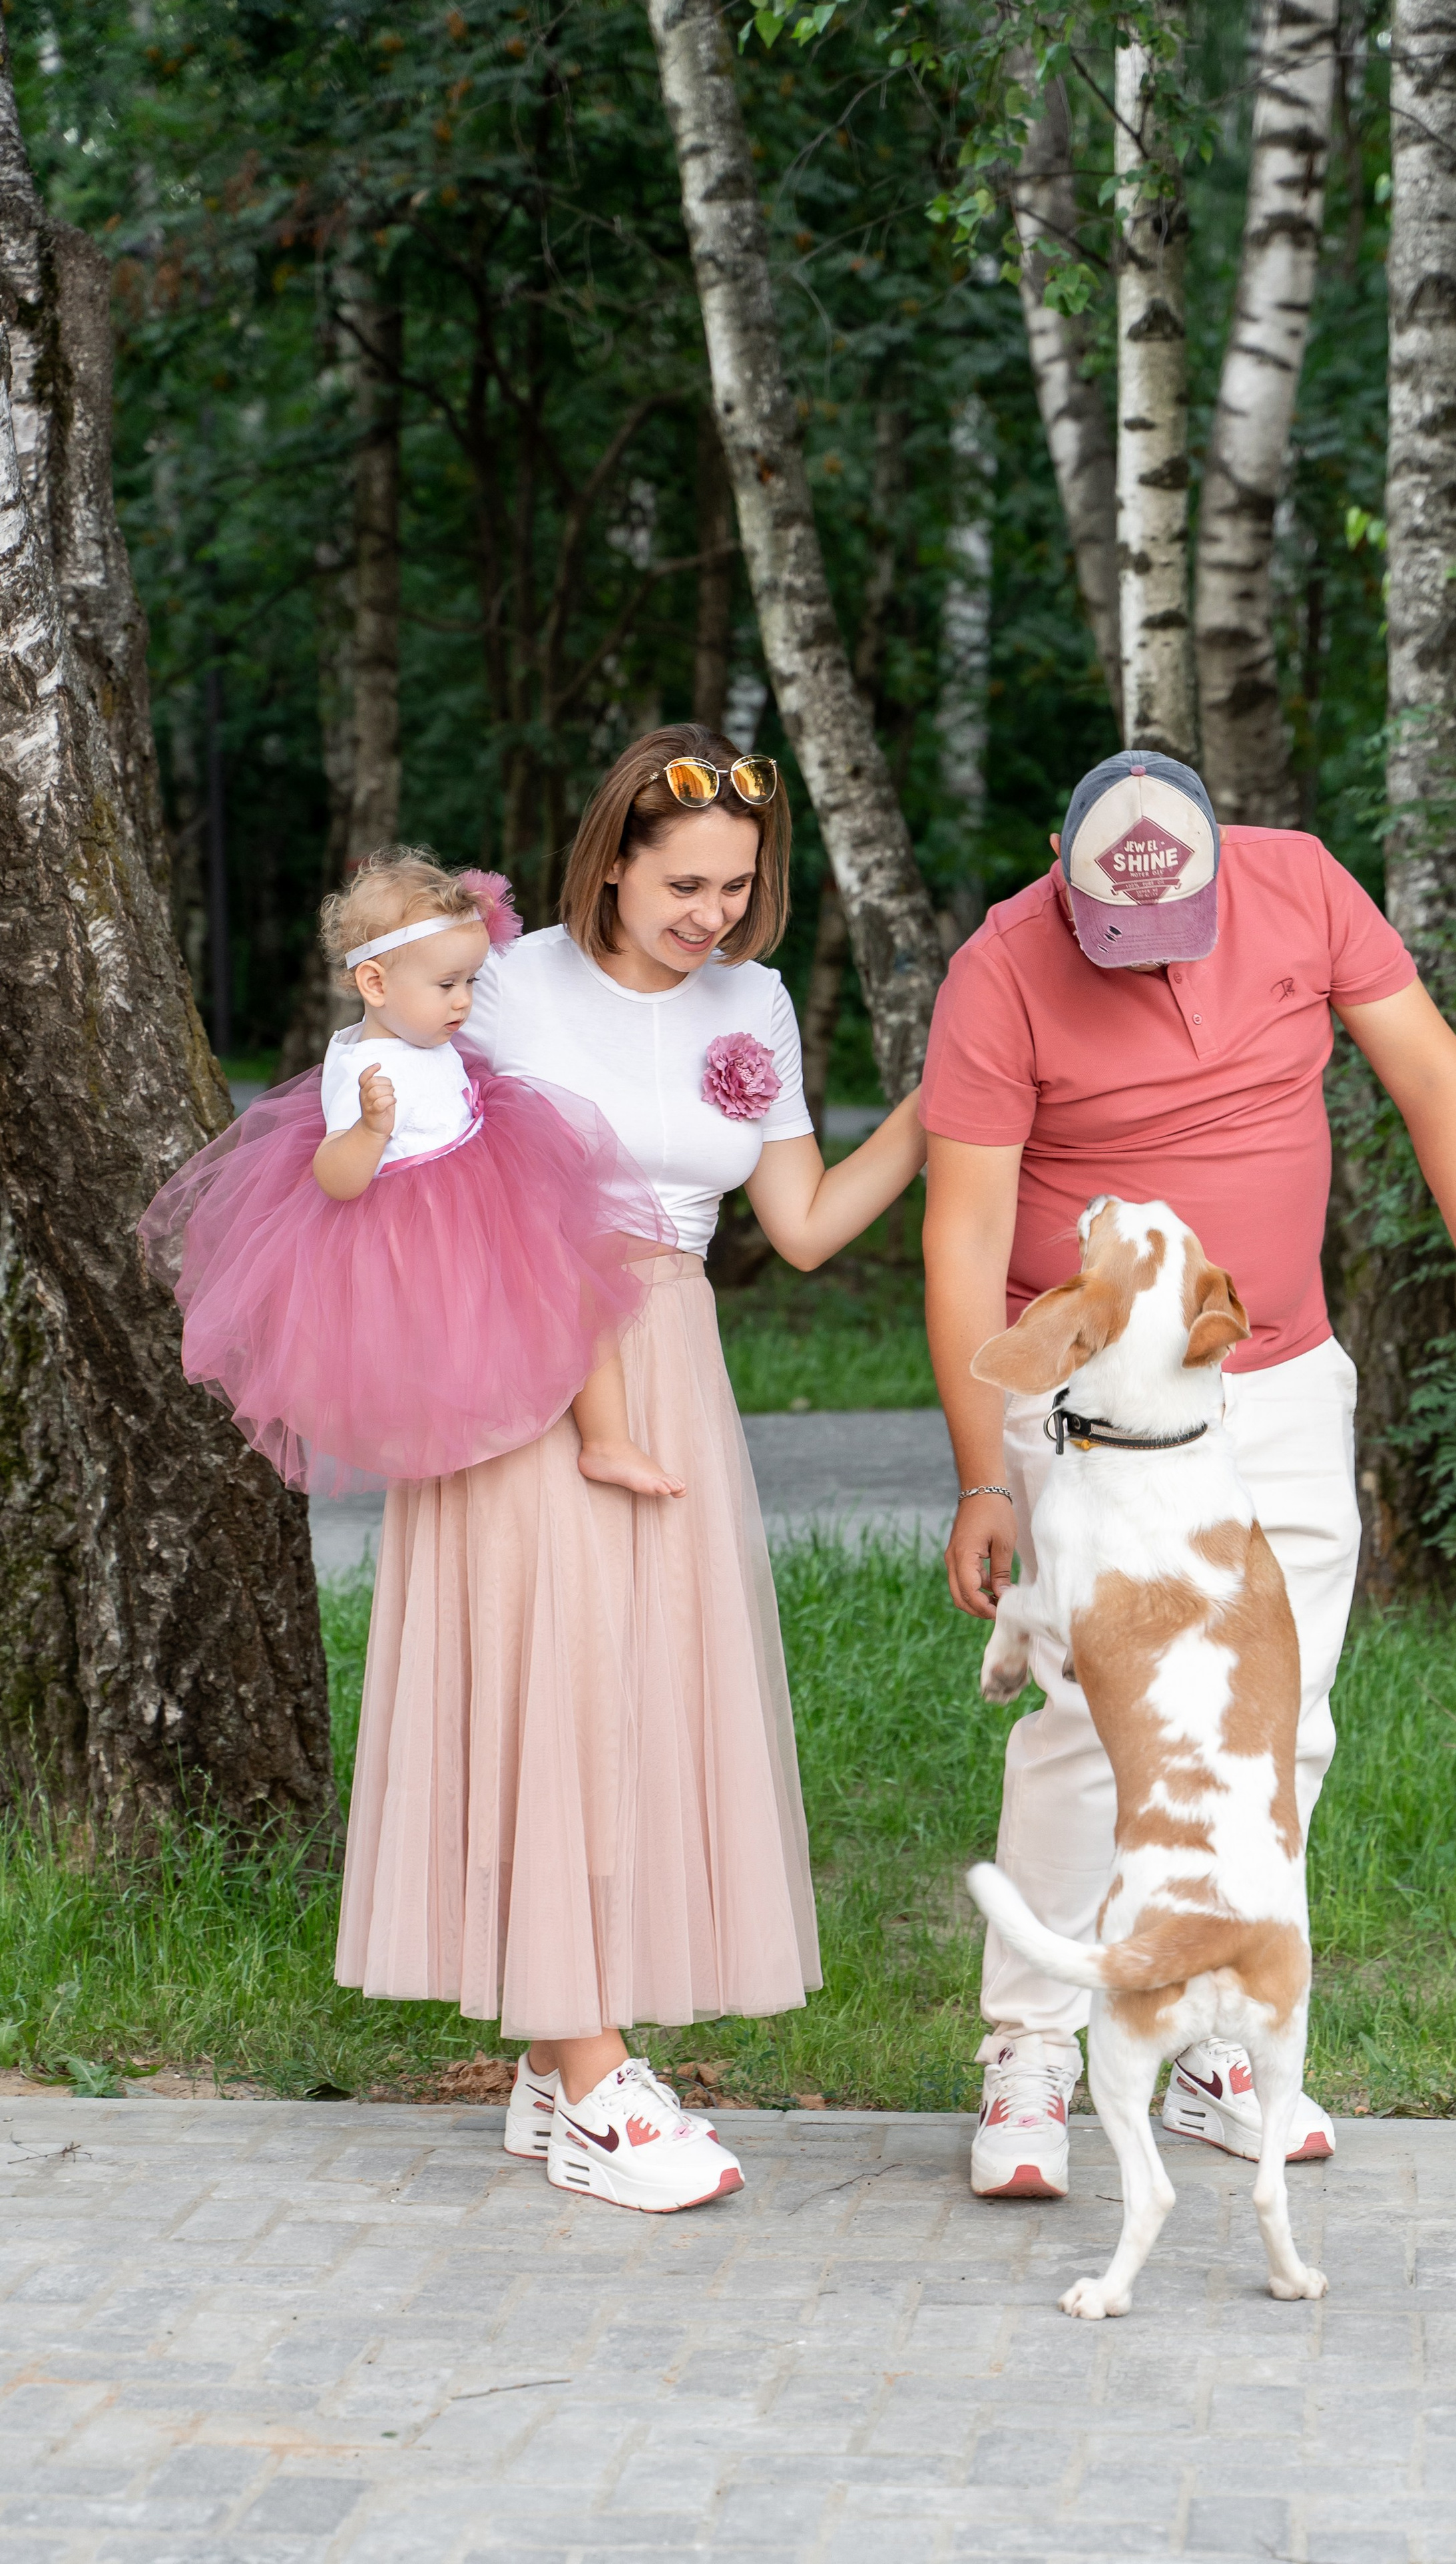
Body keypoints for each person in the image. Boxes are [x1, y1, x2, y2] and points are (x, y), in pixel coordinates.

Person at [919, 749, 1456, 2199]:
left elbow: (1431, 1074)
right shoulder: (1000, 966)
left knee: (1283, 1722)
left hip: (1272, 1380)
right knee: (1091, 1722)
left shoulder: (1298, 882)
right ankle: (1030, 2050)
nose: (1144, 965)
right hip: (1092, 1396)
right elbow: (960, 1244)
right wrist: (982, 1478)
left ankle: (1201, 2027)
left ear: (1215, 865)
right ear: (1063, 878)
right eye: (1112, 932)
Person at [335, 724, 927, 2213]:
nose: (711, 912)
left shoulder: (760, 1004)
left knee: (636, 1697)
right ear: (611, 860)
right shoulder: (511, 983)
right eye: (684, 882)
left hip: (675, 1345)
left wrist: (944, 1107)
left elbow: (794, 1223)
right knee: (553, 1685)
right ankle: (593, 2069)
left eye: (735, 886)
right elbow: (409, 1160)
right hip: (531, 1356)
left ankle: (558, 2065)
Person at [140, 851, 674, 1496]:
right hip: (424, 1236)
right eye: (447, 985)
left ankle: (609, 1441)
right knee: (484, 1331)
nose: (464, 1002)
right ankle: (519, 1437)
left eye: (471, 981)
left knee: (579, 1292)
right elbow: (337, 1178)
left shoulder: (427, 1041)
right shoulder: (367, 1070)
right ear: (375, 984)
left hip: (487, 1199)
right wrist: (369, 1130)